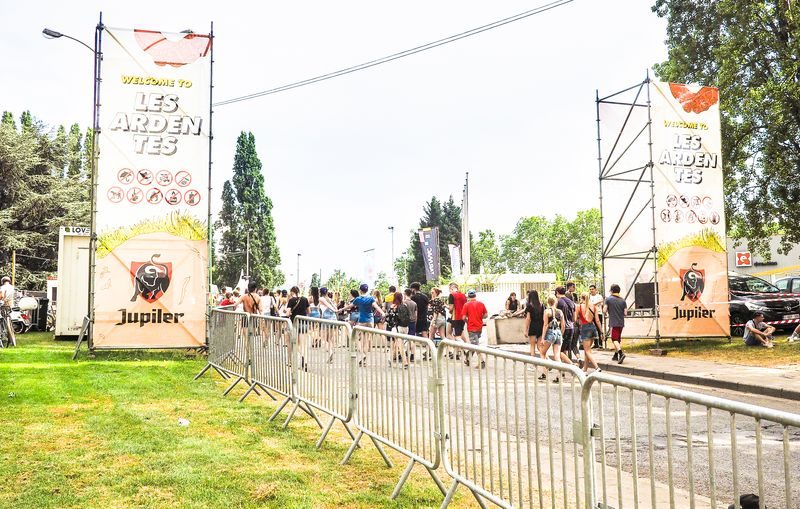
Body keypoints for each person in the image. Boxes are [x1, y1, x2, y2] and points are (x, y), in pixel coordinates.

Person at [343, 283, 384, 366]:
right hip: (370, 320)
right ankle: (365, 356)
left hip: (362, 320)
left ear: (360, 290)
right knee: (367, 339)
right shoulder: (371, 299)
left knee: (359, 338)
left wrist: (340, 310)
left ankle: (363, 355)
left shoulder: (358, 299)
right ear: (367, 290)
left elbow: (350, 306)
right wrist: (382, 313)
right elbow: (376, 307)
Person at [540, 295, 569, 382]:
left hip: (550, 332)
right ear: (555, 302)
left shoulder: (547, 311)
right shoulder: (560, 312)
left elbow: (545, 325)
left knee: (542, 352)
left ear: (548, 302)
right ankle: (559, 375)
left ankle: (544, 373)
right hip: (558, 332)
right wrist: (561, 335)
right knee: (557, 355)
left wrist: (542, 338)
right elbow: (563, 325)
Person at [576, 292, 602, 373]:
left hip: (585, 328)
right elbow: (597, 320)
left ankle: (597, 367)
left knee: (587, 351)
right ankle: (585, 369)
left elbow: (575, 319)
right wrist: (601, 331)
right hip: (592, 327)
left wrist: (578, 321)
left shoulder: (579, 306)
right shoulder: (593, 306)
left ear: (581, 298)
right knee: (587, 350)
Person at [462, 289, 487, 368]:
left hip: (471, 327)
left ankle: (482, 361)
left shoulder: (466, 305)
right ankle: (467, 359)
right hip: (479, 327)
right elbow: (486, 315)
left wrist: (467, 321)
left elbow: (463, 317)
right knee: (474, 343)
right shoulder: (481, 304)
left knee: (475, 345)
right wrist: (480, 318)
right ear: (475, 295)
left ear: (468, 296)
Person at [605, 284, 628, 364]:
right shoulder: (623, 300)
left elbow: (604, 310)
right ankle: (615, 355)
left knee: (614, 339)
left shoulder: (608, 299)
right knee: (618, 339)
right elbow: (625, 313)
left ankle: (621, 353)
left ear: (611, 290)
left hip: (613, 322)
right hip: (621, 322)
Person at [556, 286, 579, 364]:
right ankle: (564, 367)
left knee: (559, 350)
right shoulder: (571, 302)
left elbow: (558, 317)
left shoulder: (559, 302)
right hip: (571, 326)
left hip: (563, 327)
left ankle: (572, 365)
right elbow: (574, 317)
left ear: (557, 292)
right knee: (565, 349)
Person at [524, 289, 545, 361]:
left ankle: (533, 364)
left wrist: (526, 330)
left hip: (533, 326)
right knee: (540, 347)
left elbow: (528, 319)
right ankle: (547, 362)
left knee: (532, 346)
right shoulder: (541, 305)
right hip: (541, 327)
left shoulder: (529, 306)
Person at [391, 291, 410, 369]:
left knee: (399, 345)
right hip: (405, 327)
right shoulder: (405, 305)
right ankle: (391, 358)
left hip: (398, 327)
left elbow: (392, 318)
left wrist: (392, 310)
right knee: (396, 343)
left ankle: (405, 362)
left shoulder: (394, 307)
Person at [588, 284, 605, 349]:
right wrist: (597, 303)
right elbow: (590, 305)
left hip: (598, 313)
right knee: (593, 329)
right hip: (591, 314)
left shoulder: (599, 296)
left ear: (595, 289)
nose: (591, 290)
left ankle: (600, 344)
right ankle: (595, 343)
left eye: (592, 289)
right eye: (590, 289)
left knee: (599, 328)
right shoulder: (589, 297)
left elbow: (601, 303)